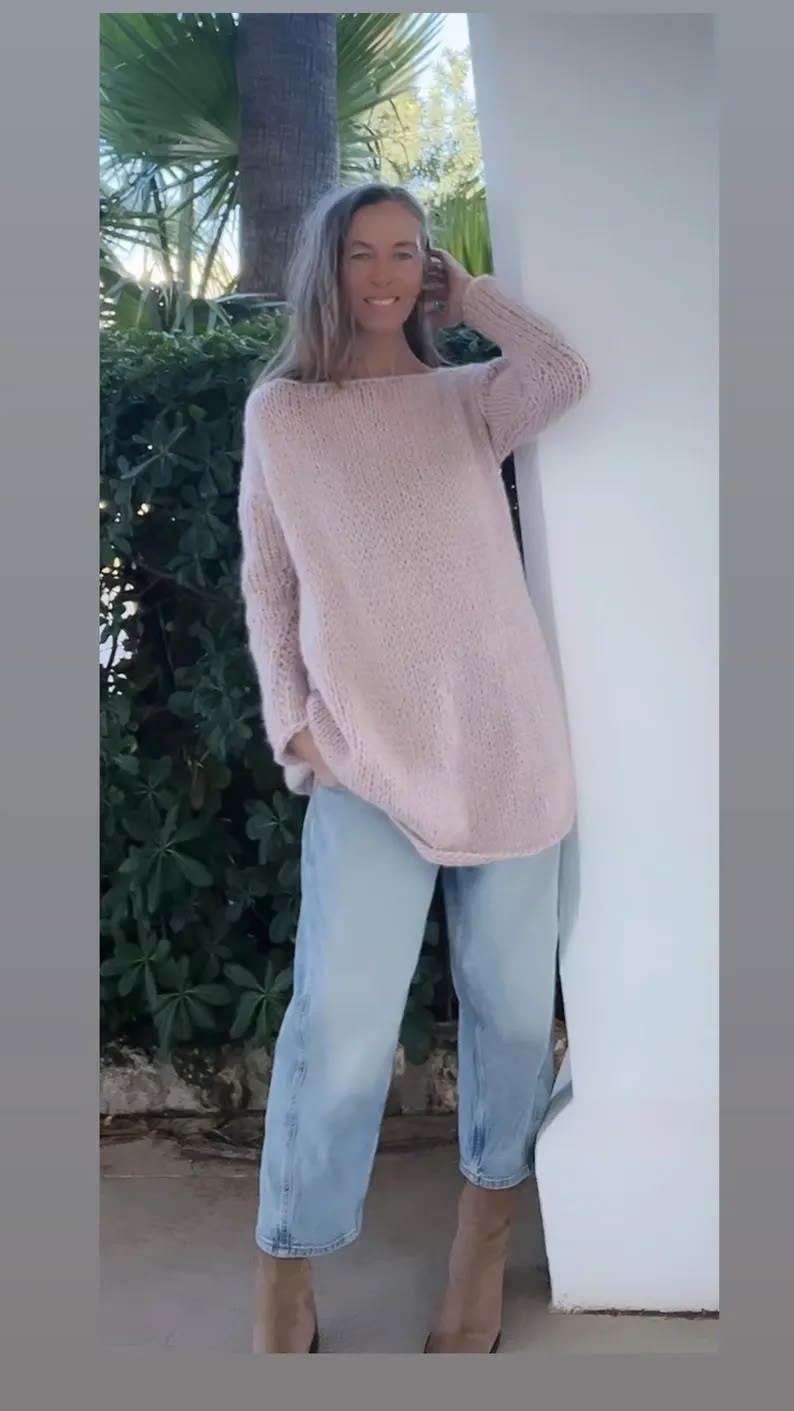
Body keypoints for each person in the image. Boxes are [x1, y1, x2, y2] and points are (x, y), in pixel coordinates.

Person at [238, 181, 590, 1355]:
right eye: (361, 254)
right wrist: (293, 725)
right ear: (324, 269)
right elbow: (270, 579)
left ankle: (480, 1252)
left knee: (509, 1016)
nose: (384, 276)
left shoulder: (462, 401)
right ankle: (285, 1270)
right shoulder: (284, 415)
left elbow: (562, 375)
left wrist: (471, 296)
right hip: (366, 763)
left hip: (506, 752)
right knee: (337, 1026)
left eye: (406, 254)